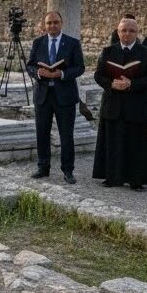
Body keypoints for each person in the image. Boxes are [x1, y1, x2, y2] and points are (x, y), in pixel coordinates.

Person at [92, 18, 147, 190]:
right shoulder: (107, 51)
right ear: (118, 31)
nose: (127, 34)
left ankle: (136, 179)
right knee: (113, 142)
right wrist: (111, 84)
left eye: (131, 31)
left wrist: (132, 83)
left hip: (136, 105)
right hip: (113, 104)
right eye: (124, 30)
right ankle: (112, 176)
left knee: (136, 144)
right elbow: (98, 75)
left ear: (137, 32)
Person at [26, 11, 86, 183]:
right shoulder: (38, 43)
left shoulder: (73, 43)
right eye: (49, 23)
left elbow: (80, 67)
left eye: (56, 22)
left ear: (62, 23)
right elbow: (29, 65)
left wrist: (61, 74)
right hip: (43, 95)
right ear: (44, 25)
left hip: (65, 96)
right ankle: (43, 167)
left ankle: (68, 170)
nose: (52, 25)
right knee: (42, 133)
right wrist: (39, 72)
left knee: (66, 134)